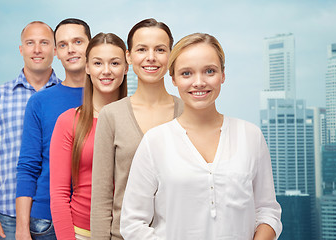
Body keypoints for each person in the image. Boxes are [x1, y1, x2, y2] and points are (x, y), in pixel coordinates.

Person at [120, 33, 283, 239]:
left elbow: (268, 211)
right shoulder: (155, 142)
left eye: (209, 71)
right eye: (186, 73)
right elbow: (132, 223)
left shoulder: (250, 136)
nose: (199, 82)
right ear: (174, 79)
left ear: (223, 75)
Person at [90, 18, 184, 239]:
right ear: (129, 57)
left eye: (160, 49)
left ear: (171, 55)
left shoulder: (187, 112)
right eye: (142, 49)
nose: (151, 57)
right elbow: (102, 196)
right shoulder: (111, 115)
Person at [0, 21, 60, 240]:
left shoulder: (70, 98)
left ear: (55, 50)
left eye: (44, 43)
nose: (37, 49)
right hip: (6, 219)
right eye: (30, 43)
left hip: (57, 218)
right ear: (21, 49)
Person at [15, 18, 91, 240]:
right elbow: (28, 167)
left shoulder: (109, 97)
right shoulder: (40, 102)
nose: (71, 50)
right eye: (64, 45)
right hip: (45, 221)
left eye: (78, 41)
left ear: (91, 45)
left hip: (95, 219)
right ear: (56, 51)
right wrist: (21, 229)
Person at [50, 32, 128, 240]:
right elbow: (58, 195)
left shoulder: (137, 120)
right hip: (81, 233)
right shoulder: (68, 121)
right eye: (97, 63)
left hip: (131, 232)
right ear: (87, 67)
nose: (106, 71)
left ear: (126, 67)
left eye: (114, 63)